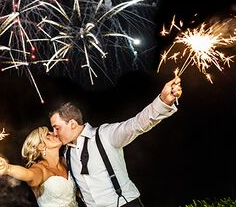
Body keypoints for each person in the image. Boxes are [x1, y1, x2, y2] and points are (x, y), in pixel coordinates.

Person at [49, 76, 182, 207]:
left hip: (125, 203)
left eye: (57, 128)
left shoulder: (105, 134)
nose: (55, 133)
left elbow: (136, 125)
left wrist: (163, 101)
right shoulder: (67, 154)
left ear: (72, 123)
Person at [0, 126, 77, 207]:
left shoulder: (66, 161)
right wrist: (8, 168)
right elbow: (29, 174)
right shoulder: (40, 169)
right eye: (48, 134)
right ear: (41, 146)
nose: (54, 133)